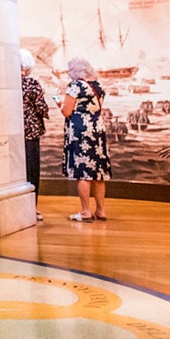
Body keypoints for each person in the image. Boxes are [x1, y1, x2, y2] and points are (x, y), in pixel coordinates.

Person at [62, 57, 110, 222]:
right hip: (97, 129)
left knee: (83, 172)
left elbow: (66, 111)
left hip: (81, 130)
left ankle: (85, 212)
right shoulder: (98, 86)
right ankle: (101, 210)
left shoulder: (75, 86)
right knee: (98, 172)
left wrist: (59, 104)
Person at [19, 49, 50, 223]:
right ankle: (32, 208)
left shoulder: (9, 83)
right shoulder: (31, 84)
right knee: (32, 172)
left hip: (12, 133)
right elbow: (41, 108)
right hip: (30, 133)